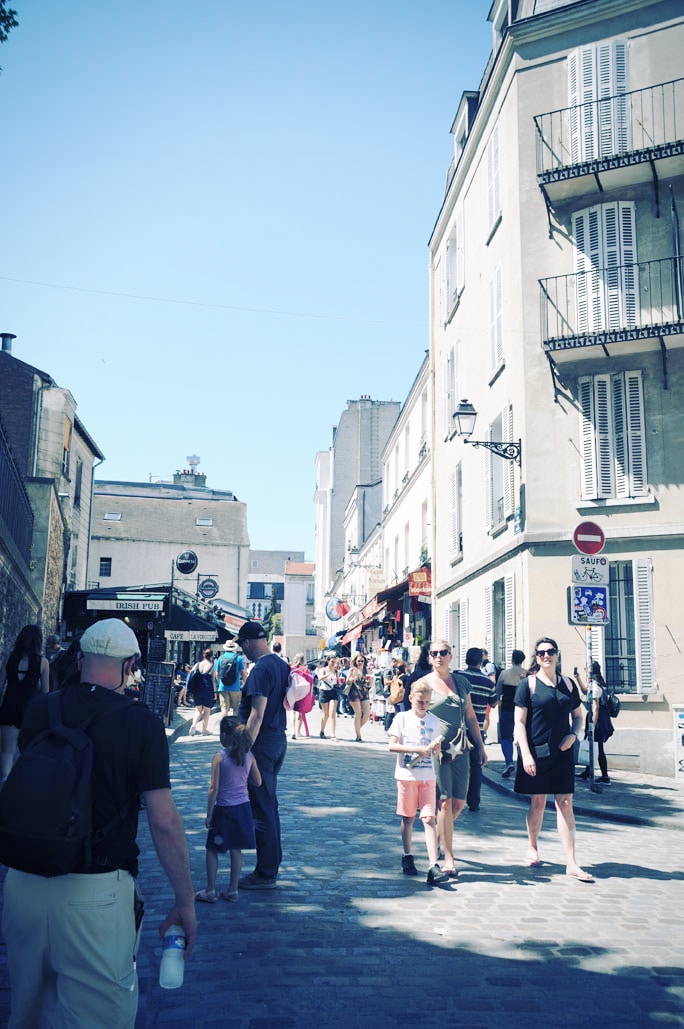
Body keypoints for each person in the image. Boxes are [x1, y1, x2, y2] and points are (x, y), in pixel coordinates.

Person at [1, 618, 196, 1027]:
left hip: (22, 884)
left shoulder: (42, 708)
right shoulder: (140, 721)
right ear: (129, 668)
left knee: (27, 1013)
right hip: (95, 892)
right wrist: (185, 900)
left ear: (79, 658)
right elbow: (163, 821)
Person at [513, 636, 593, 882]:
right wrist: (525, 754)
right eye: (540, 653)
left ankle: (571, 862)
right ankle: (533, 846)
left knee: (565, 803)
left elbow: (580, 716)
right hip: (537, 752)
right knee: (537, 804)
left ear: (557, 655)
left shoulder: (568, 685)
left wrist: (573, 734)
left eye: (550, 652)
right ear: (536, 657)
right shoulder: (528, 685)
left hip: (562, 753)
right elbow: (519, 722)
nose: (545, 656)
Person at [424, 639, 487, 878]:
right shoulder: (424, 683)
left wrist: (480, 746)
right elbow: (416, 716)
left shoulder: (461, 682)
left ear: (451, 655)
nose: (438, 657)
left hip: (461, 748)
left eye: (443, 652)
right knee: (444, 802)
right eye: (434, 653)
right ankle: (448, 857)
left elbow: (470, 717)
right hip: (436, 751)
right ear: (430, 657)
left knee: (459, 803)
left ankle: (439, 838)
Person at [236, 620, 290, 889]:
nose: (242, 651)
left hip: (261, 746)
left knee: (262, 808)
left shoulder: (261, 669)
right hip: (277, 739)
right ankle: (271, 865)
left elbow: (256, 714)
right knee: (269, 805)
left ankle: (266, 871)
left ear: (247, 643)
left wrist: (242, 750)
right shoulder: (280, 663)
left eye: (242, 645)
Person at [195, 717, 262, 904]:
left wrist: (209, 814)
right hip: (243, 809)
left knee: (212, 849)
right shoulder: (248, 756)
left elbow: (213, 788)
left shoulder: (219, 757)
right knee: (236, 849)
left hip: (223, 810)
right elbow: (258, 782)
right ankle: (232, 890)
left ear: (225, 735)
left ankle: (210, 889)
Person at [388, 680, 444, 884]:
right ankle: (407, 854)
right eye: (420, 701)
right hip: (406, 776)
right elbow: (391, 746)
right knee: (408, 817)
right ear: (411, 699)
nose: (423, 706)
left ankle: (433, 865)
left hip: (428, 777)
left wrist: (436, 750)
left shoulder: (434, 721)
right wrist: (416, 750)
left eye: (427, 702)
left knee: (429, 819)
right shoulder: (402, 718)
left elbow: (436, 750)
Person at [0, 624, 50, 780]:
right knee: (26, 751)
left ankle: (4, 784)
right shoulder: (43, 662)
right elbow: (46, 692)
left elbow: (0, 684)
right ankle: (19, 787)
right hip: (29, 710)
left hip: (9, 706)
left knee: (7, 751)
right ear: (38, 641)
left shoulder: (10, 657)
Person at [459, 647, 498, 812]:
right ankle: (473, 801)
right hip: (478, 729)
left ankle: (454, 798)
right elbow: (494, 703)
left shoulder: (459, 676)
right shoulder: (488, 682)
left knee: (456, 765)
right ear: (480, 661)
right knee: (476, 767)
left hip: (459, 728)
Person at [575, 661, 614, 785]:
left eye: (587, 669)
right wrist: (578, 678)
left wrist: (592, 724)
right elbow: (586, 691)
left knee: (598, 747)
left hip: (598, 718)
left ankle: (605, 776)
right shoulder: (596, 684)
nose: (586, 671)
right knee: (589, 745)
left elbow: (596, 707)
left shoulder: (596, 687)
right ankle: (588, 772)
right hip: (598, 716)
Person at [496, 650, 526, 778]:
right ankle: (523, 761)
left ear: (512, 659)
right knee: (523, 736)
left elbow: (498, 691)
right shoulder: (526, 674)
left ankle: (509, 762)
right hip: (523, 709)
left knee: (506, 737)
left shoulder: (504, 673)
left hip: (507, 708)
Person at [187, 648, 216, 736]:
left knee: (198, 709)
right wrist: (215, 693)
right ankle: (204, 730)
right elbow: (213, 680)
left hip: (197, 689)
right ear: (211, 656)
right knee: (207, 711)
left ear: (203, 655)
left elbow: (190, 676)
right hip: (207, 689)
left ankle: (193, 725)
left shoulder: (197, 664)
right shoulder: (212, 665)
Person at [214, 641, 245, 716]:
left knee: (224, 708)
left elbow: (217, 674)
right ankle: (234, 726)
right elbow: (243, 673)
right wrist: (246, 683)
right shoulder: (239, 658)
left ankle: (224, 726)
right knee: (236, 708)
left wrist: (219, 683)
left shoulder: (220, 658)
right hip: (235, 687)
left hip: (223, 687)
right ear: (234, 648)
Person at [287, 653, 314, 739]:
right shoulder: (305, 670)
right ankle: (298, 731)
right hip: (302, 694)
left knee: (292, 712)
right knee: (301, 713)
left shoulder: (291, 669)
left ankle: (292, 731)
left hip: (292, 691)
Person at [346, 654, 371, 742]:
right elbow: (347, 681)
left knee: (367, 713)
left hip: (364, 692)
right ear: (355, 662)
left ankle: (357, 728)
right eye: (358, 661)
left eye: (362, 661)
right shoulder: (352, 670)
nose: (360, 662)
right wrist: (353, 678)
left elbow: (370, 684)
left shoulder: (366, 671)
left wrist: (370, 682)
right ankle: (358, 735)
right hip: (354, 692)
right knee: (358, 713)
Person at [318, 657, 339, 741]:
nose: (333, 664)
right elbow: (320, 678)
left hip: (333, 692)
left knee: (332, 713)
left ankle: (333, 735)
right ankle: (322, 730)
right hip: (324, 692)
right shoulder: (323, 670)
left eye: (335, 662)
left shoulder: (336, 671)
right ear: (328, 661)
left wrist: (340, 682)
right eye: (332, 662)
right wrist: (328, 674)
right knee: (326, 714)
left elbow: (338, 683)